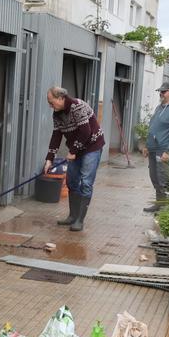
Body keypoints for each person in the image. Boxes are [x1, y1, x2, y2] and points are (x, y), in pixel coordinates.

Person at [42, 87, 105, 231]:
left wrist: (73, 151)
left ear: (61, 98)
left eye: (51, 102)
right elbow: (56, 136)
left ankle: (80, 221)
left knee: (86, 182)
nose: (50, 106)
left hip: (92, 146)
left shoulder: (78, 106)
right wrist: (49, 159)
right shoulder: (57, 115)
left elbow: (85, 132)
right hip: (76, 149)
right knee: (71, 181)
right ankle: (72, 216)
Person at [143, 80, 169, 213]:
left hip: (163, 150)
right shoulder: (159, 107)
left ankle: (166, 208)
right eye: (160, 91)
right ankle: (159, 204)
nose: (161, 94)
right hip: (153, 149)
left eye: (164, 91)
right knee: (154, 177)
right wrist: (147, 146)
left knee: (163, 178)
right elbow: (153, 127)